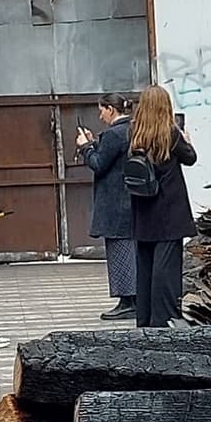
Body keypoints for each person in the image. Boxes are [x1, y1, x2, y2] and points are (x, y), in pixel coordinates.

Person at [124, 82, 195, 328]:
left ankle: (143, 318)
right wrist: (187, 140)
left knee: (145, 266)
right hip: (169, 211)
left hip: (143, 209)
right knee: (166, 269)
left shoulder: (134, 133)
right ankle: (163, 319)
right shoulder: (170, 133)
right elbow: (190, 158)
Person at [79, 93, 136, 317]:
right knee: (130, 249)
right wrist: (94, 144)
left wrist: (85, 147)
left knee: (119, 250)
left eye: (101, 110)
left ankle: (127, 300)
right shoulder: (132, 129)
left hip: (115, 201)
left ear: (111, 109)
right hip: (129, 199)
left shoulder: (114, 133)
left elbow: (99, 164)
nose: (100, 115)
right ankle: (133, 298)